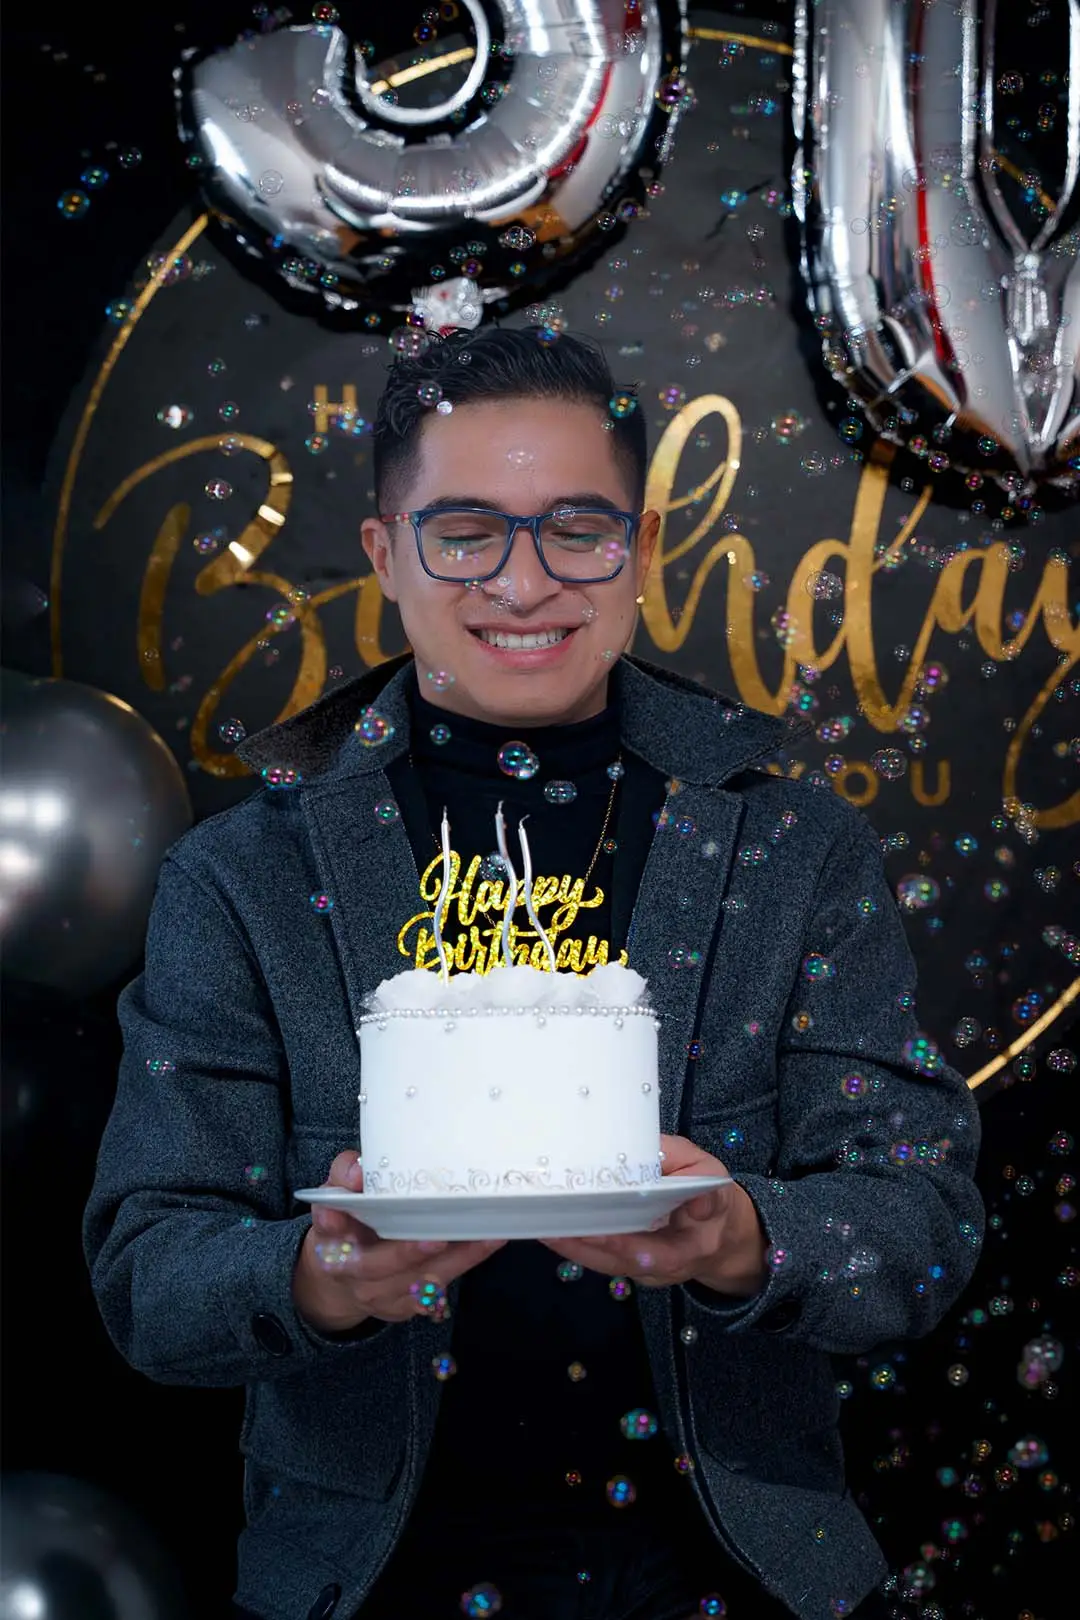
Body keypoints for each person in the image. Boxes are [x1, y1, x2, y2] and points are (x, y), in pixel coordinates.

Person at [84, 326, 985, 1620]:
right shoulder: (245, 876)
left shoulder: (791, 846)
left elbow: (922, 1223)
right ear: (386, 553)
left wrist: (743, 1240)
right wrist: (318, 1280)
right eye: (464, 533)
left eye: (577, 529)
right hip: (373, 1584)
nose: (523, 582)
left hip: (729, 1574)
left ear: (643, 548)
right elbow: (150, 1275)